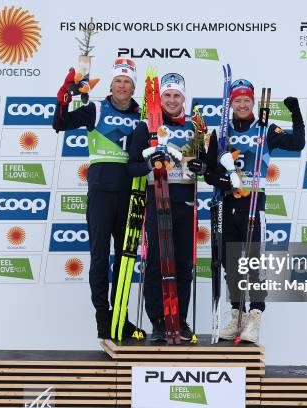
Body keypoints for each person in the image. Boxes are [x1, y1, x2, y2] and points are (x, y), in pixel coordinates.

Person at [202, 79, 305, 343]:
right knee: (230, 263)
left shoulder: (265, 129)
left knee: (252, 262)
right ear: (231, 104)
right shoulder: (221, 134)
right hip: (228, 203)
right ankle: (237, 315)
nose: (243, 104)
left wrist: (295, 113)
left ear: (253, 102)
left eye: (247, 100)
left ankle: (255, 316)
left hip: (253, 203)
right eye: (237, 100)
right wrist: (223, 180)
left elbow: (298, 144)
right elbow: (209, 173)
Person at [52, 58, 144, 339]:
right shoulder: (95, 109)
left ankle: (121, 317)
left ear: (133, 87)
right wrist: (64, 98)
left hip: (131, 192)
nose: (122, 85)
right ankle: (103, 317)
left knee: (126, 259)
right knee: (100, 256)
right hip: (102, 192)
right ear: (112, 84)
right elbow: (60, 123)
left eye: (127, 81)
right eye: (118, 80)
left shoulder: (142, 117)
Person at [128, 73, 201, 342]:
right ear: (160, 99)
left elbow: (203, 166)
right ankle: (159, 320)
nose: (171, 100)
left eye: (176, 95)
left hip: (186, 203)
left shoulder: (195, 128)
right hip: (158, 201)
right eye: (167, 95)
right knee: (158, 264)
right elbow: (132, 167)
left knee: (183, 265)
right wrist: (149, 164)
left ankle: (179, 320)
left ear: (184, 98)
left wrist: (201, 167)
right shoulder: (146, 127)